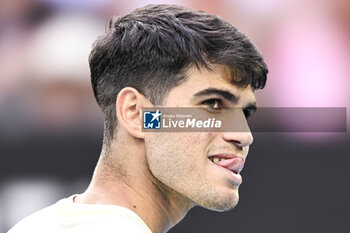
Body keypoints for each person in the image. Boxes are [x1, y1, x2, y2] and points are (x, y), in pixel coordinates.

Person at [8, 4, 268, 233]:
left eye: (244, 113)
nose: (244, 135)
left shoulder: (31, 227)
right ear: (136, 113)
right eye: (213, 104)